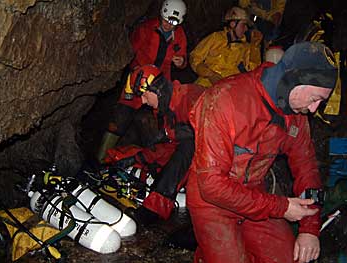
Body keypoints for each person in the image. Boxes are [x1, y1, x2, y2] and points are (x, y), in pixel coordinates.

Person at [186, 41, 338, 263]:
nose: (314, 109)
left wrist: (309, 229)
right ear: (293, 80)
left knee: (289, 259)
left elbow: (307, 169)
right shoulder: (223, 100)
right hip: (212, 203)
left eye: (320, 102)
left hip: (255, 193)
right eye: (314, 99)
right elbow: (211, 186)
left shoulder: (295, 114)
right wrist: (281, 207)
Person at [105, 64, 205, 225]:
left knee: (188, 147)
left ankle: (155, 210)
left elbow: (204, 134)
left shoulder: (191, 97)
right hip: (208, 155)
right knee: (163, 161)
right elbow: (170, 146)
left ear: (157, 89)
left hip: (231, 158)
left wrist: (168, 134)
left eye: (144, 95)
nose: (143, 102)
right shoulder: (168, 109)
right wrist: (138, 158)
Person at [97, 0, 188, 162]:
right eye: (166, 20)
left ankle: (147, 162)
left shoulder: (179, 35)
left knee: (152, 124)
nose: (168, 25)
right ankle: (100, 160)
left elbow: (183, 59)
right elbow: (129, 51)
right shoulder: (146, 29)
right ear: (161, 14)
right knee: (120, 117)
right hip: (137, 81)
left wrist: (182, 62)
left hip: (159, 87)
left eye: (173, 23)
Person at [189, 6, 262, 88]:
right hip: (206, 83)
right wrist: (210, 75)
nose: (245, 29)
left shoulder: (245, 47)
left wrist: (255, 46)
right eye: (243, 25)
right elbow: (195, 57)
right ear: (233, 24)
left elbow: (253, 69)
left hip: (230, 86)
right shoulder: (215, 38)